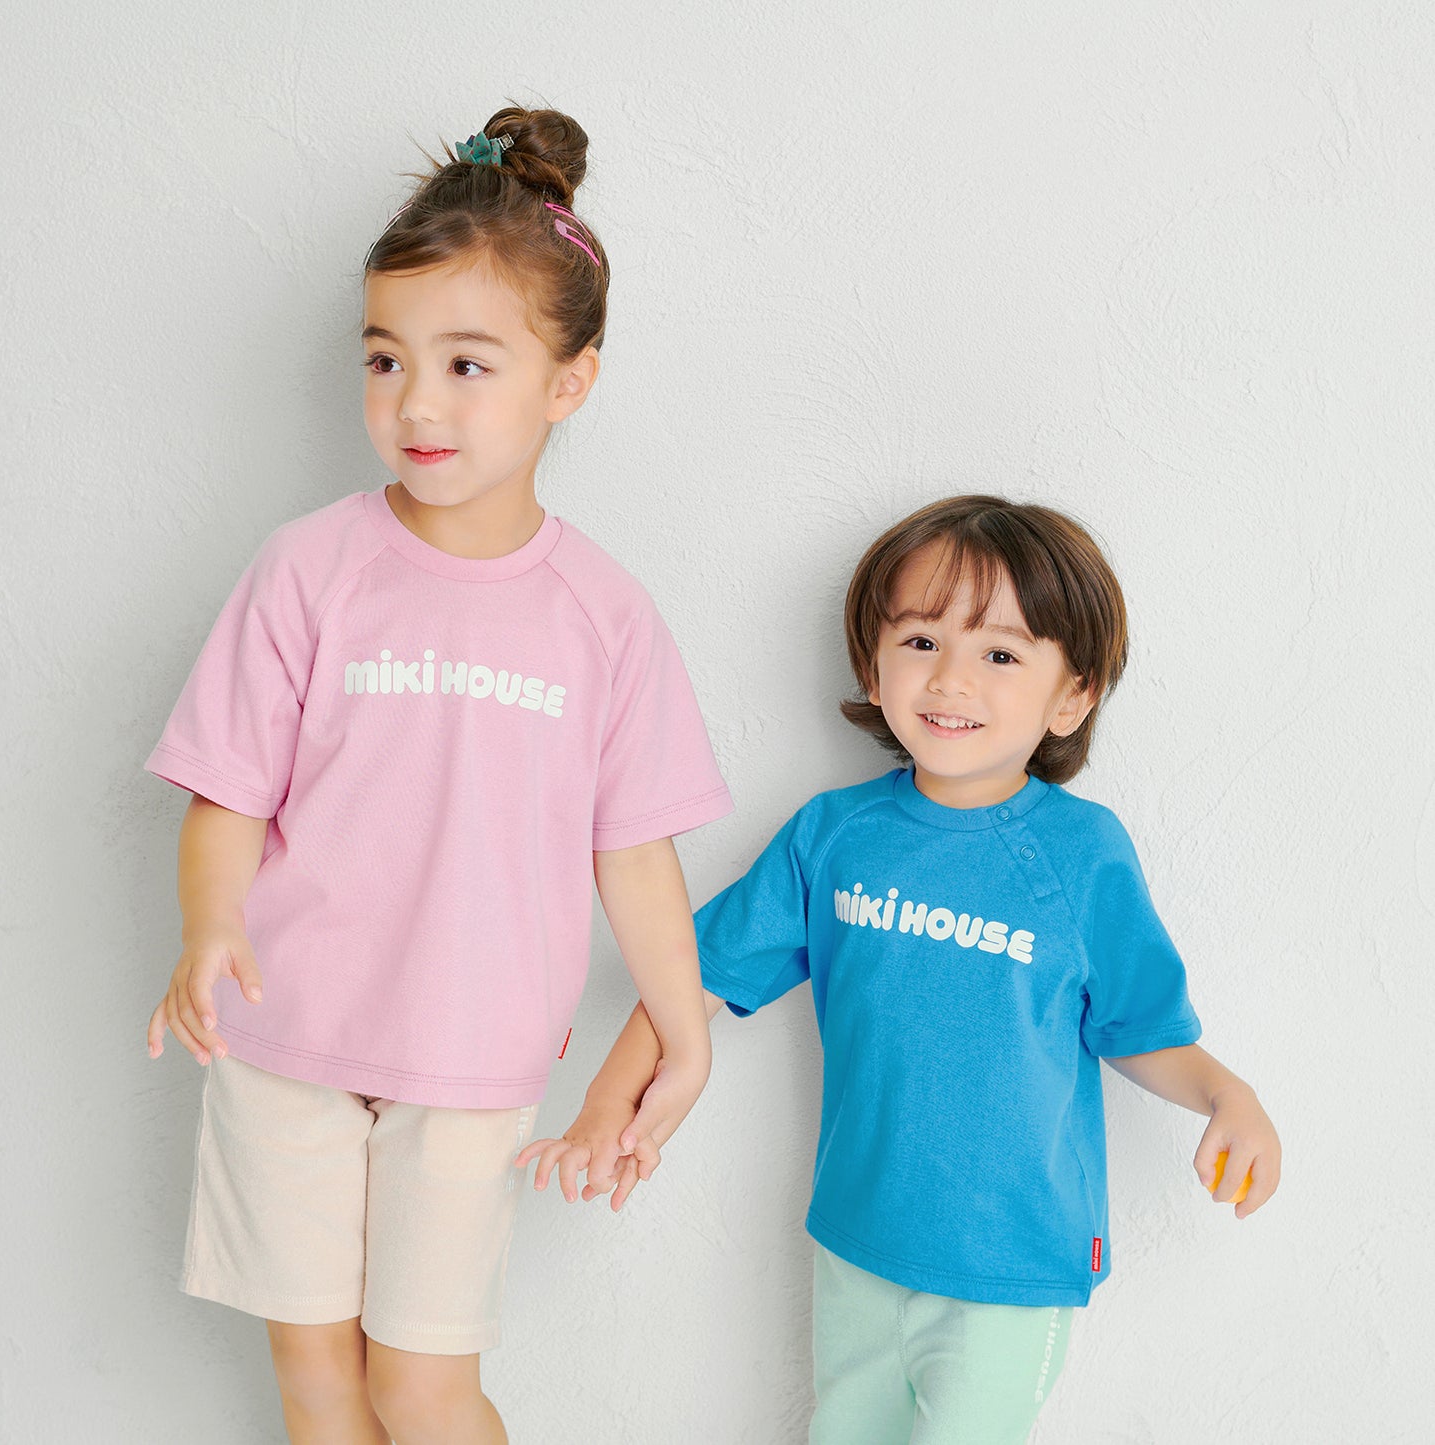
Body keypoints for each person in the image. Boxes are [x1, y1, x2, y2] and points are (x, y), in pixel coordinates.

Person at [143, 106, 730, 1445]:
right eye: (385, 358)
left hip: (470, 1060)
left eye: (467, 364)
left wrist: (680, 1027)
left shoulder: (603, 614)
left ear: (567, 382)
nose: (415, 402)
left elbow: (632, 849)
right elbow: (228, 790)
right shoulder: (308, 569)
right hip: (283, 1041)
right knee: (316, 1381)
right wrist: (210, 922)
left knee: (419, 1384)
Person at [520, 495, 1282, 1444]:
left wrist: (1226, 1095)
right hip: (857, 1242)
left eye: (1000, 654)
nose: (950, 677)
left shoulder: (1082, 853)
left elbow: (1139, 1027)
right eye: (921, 641)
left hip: (1011, 1264)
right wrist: (603, 1108)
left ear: (1071, 696)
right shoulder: (832, 835)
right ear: (872, 665)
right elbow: (691, 977)